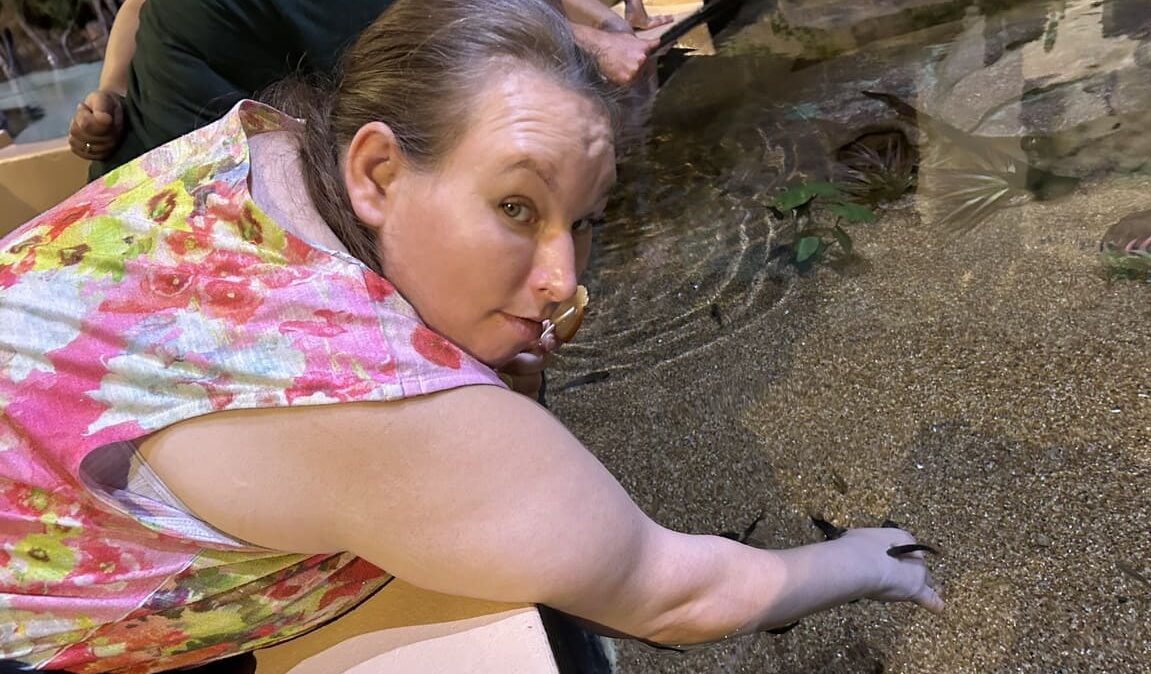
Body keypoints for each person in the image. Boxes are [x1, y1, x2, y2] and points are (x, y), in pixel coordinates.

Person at [1, 0, 942, 671]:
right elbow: (673, 592)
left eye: (581, 221)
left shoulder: (266, 146)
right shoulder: (379, 402)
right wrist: (858, 561)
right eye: (513, 204)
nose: (564, 280)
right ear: (374, 168)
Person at [68, 0, 669, 179]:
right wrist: (591, 42)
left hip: (208, 163)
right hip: (181, 202)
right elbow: (434, 18)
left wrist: (608, 27)